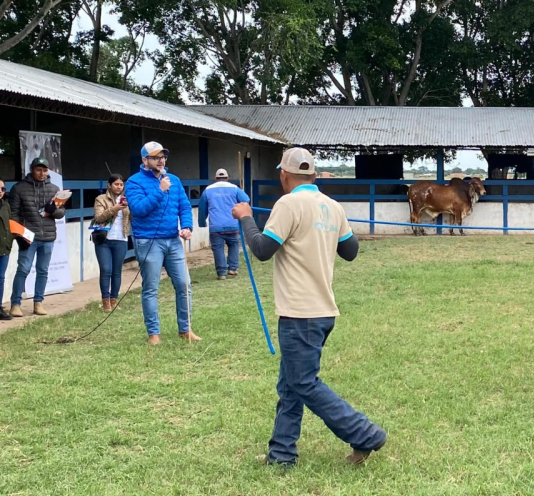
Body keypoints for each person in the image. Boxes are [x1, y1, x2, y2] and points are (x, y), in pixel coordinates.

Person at [232, 147, 386, 467]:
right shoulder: (332, 206)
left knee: (303, 382)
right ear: (314, 176)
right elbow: (351, 251)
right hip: (323, 310)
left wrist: (246, 217)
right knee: (291, 383)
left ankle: (365, 434)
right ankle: (281, 454)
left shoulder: (287, 204)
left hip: (299, 312)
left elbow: (263, 249)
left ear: (283, 176)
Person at [124, 141, 200, 345]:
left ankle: (185, 329)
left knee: (184, 285)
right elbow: (138, 209)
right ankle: (154, 334)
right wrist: (159, 190)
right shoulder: (133, 182)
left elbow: (184, 205)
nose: (161, 160)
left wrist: (186, 226)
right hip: (148, 241)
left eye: (163, 156)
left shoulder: (173, 180)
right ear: (144, 160)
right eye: (156, 157)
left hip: (173, 240)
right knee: (151, 288)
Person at [8, 158, 65, 317]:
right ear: (32, 169)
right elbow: (13, 214)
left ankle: (38, 302)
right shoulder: (19, 188)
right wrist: (19, 234)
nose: (42, 173)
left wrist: (53, 210)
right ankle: (15, 304)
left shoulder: (54, 188)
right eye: (39, 170)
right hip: (27, 237)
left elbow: (61, 213)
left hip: (47, 236)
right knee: (23, 269)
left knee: (43, 270)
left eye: (45, 170)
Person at [199, 168, 249, 280]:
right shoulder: (234, 188)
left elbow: (202, 208)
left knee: (218, 249)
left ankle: (221, 273)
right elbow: (246, 199)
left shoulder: (208, 190)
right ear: (227, 178)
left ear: (216, 178)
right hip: (232, 224)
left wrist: (202, 222)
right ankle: (232, 268)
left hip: (216, 227)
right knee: (234, 245)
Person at [92, 174, 131, 312]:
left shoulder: (127, 199)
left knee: (116, 271)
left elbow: (133, 217)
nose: (119, 187)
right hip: (104, 239)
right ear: (109, 185)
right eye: (116, 184)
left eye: (121, 184)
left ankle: (114, 300)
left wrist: (130, 207)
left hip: (121, 238)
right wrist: (115, 208)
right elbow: (99, 217)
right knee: (106, 270)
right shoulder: (100, 199)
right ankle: (105, 301)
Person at [0, 181, 14, 320]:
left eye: (3, 188)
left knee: (1, 279)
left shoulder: (6, 205)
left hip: (4, 248)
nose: (0, 191)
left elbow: (10, 224)